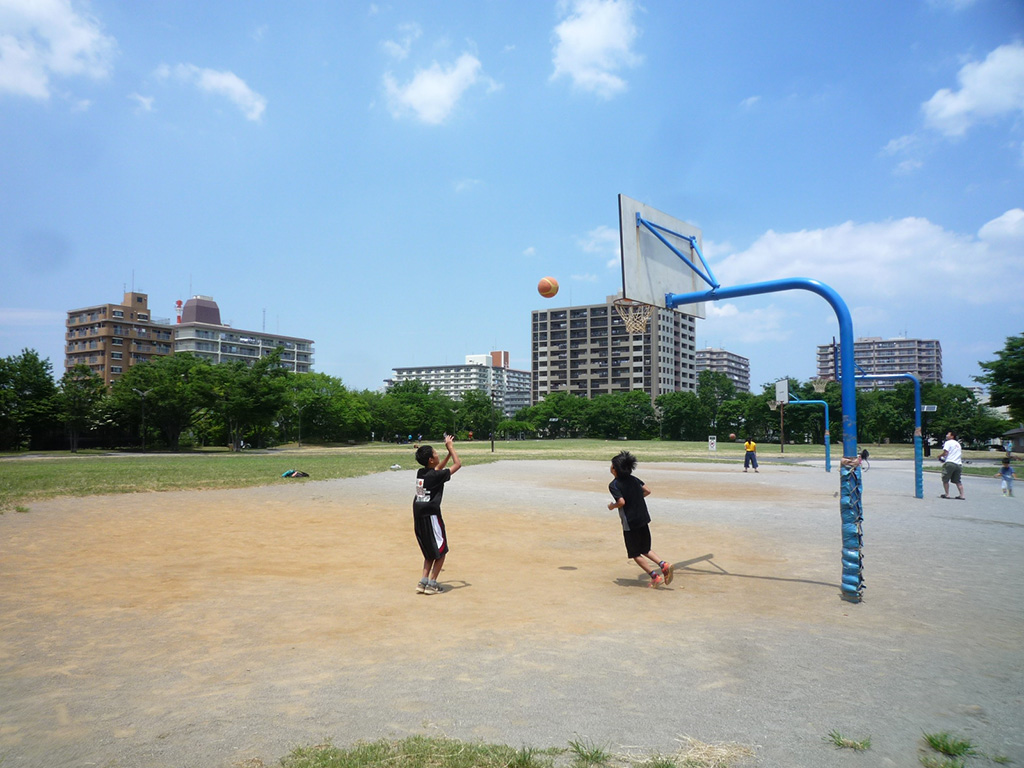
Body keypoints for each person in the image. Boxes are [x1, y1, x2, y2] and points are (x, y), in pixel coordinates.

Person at [607, 450, 673, 588]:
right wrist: (636, 497)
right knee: (645, 548)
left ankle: (655, 577)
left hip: (630, 522)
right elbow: (647, 491)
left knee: (634, 553)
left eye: (612, 465)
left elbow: (621, 502)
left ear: (616, 469)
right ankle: (663, 564)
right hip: (643, 517)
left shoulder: (614, 485)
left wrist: (612, 506)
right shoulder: (634, 479)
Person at [412, 434, 461, 594]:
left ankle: (423, 581)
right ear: (431, 460)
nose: (437, 454)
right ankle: (432, 584)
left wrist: (447, 453)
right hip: (431, 517)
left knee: (429, 552)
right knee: (441, 551)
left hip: (419, 517)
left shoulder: (421, 472)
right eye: (435, 454)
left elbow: (438, 469)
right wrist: (451, 448)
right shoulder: (435, 475)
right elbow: (458, 464)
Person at [939, 430, 965, 500]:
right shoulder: (958, 444)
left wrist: (939, 456)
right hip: (958, 464)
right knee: (958, 480)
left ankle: (947, 494)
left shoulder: (948, 442)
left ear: (952, 436)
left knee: (945, 479)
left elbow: (945, 453)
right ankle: (962, 495)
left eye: (948, 434)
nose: (946, 435)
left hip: (950, 463)